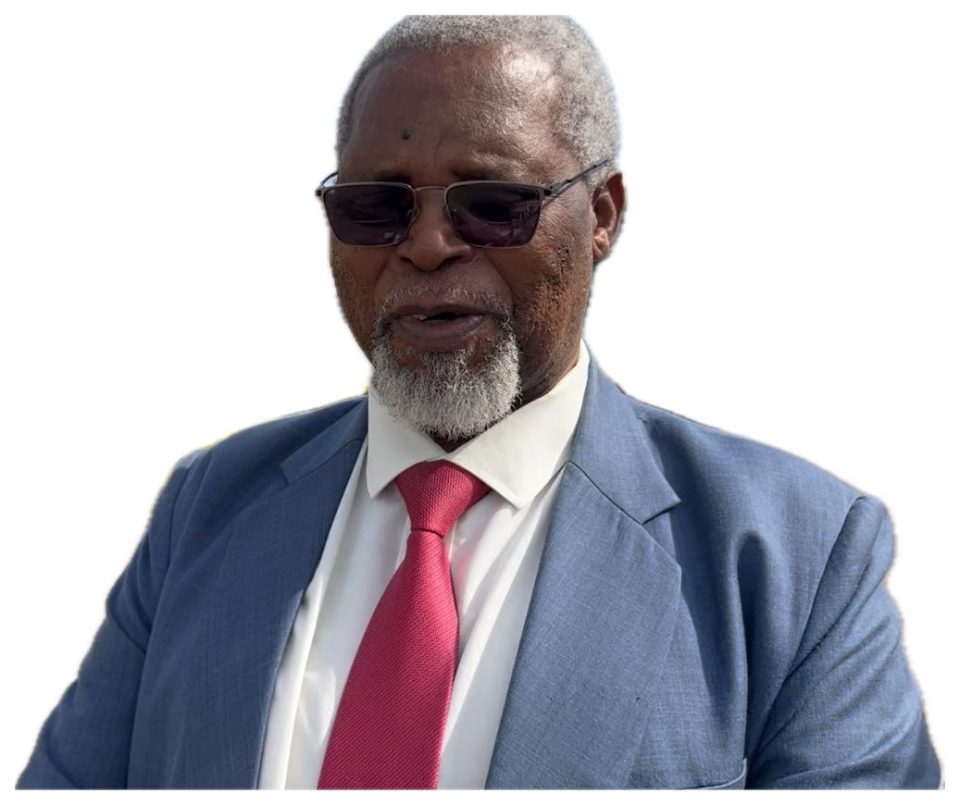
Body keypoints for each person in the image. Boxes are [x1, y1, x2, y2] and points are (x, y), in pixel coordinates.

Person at [17, 15, 941, 790]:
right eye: (378, 205)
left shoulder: (795, 556)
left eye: (492, 204)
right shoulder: (209, 507)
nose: (426, 245)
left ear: (604, 214)